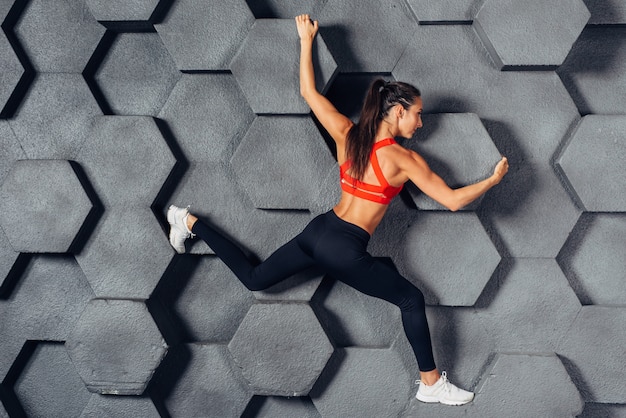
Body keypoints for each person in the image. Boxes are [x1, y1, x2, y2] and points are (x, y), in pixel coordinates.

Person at [167, 14, 508, 406]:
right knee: (411, 299)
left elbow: (309, 93)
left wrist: (306, 40)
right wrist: (491, 181)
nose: (420, 120)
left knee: (255, 278)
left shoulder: (349, 135)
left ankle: (187, 221)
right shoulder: (402, 159)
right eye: (416, 112)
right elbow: (451, 200)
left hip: (320, 230)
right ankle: (430, 383)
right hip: (343, 247)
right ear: (397, 111)